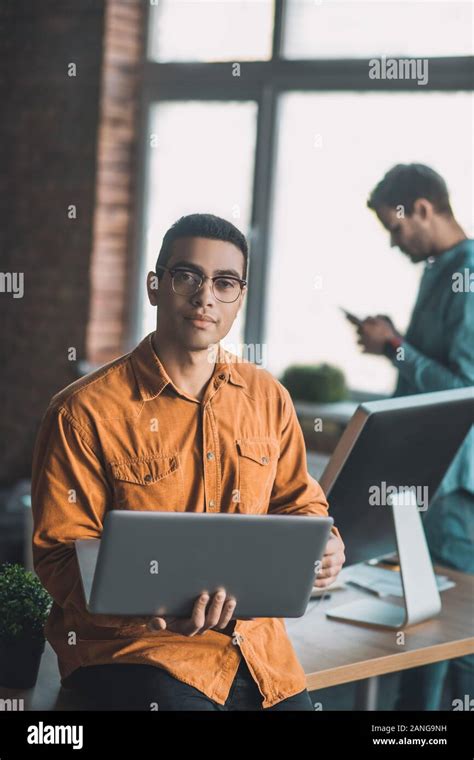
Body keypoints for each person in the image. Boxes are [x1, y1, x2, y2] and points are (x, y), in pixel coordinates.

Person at [31, 213, 345, 711]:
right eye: (187, 276)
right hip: (136, 654)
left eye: (224, 283)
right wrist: (150, 611)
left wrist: (325, 546)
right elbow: (57, 557)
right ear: (155, 287)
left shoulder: (268, 397)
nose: (205, 298)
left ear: (240, 298)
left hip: (260, 655)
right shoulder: (83, 411)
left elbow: (300, 504)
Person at [351, 164, 474, 710]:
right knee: (423, 614)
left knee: (447, 628)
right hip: (429, 475)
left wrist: (394, 347)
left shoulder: (467, 274)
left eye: (395, 228)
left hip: (454, 483)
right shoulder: (436, 271)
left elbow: (466, 389)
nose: (393, 243)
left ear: (423, 209)